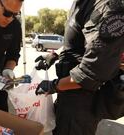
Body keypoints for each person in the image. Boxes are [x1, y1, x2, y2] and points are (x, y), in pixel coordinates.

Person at [35, 0, 124, 135]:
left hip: (82, 104)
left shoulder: (106, 8)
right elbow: (77, 41)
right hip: (68, 95)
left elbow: (92, 72)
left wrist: (54, 85)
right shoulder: (82, 3)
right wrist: (55, 55)